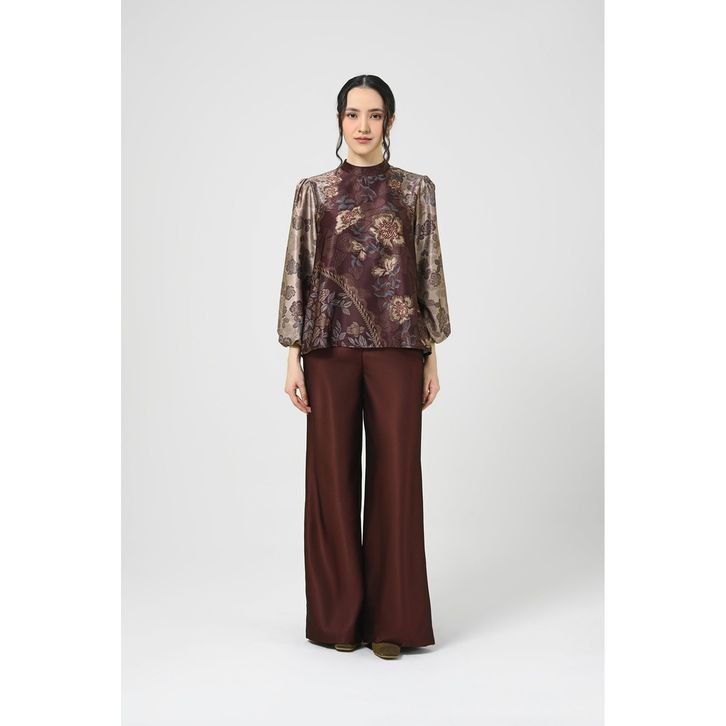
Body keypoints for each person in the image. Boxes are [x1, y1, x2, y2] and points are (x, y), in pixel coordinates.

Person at [276, 74, 451, 660]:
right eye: (353, 114)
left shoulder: (416, 191)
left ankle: (392, 622)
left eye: (374, 115)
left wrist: (431, 354)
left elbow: (427, 270)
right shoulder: (314, 192)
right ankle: (339, 619)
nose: (363, 125)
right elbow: (298, 271)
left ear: (390, 122)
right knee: (331, 480)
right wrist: (292, 356)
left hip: (399, 349)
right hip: (328, 350)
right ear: (339, 121)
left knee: (397, 479)